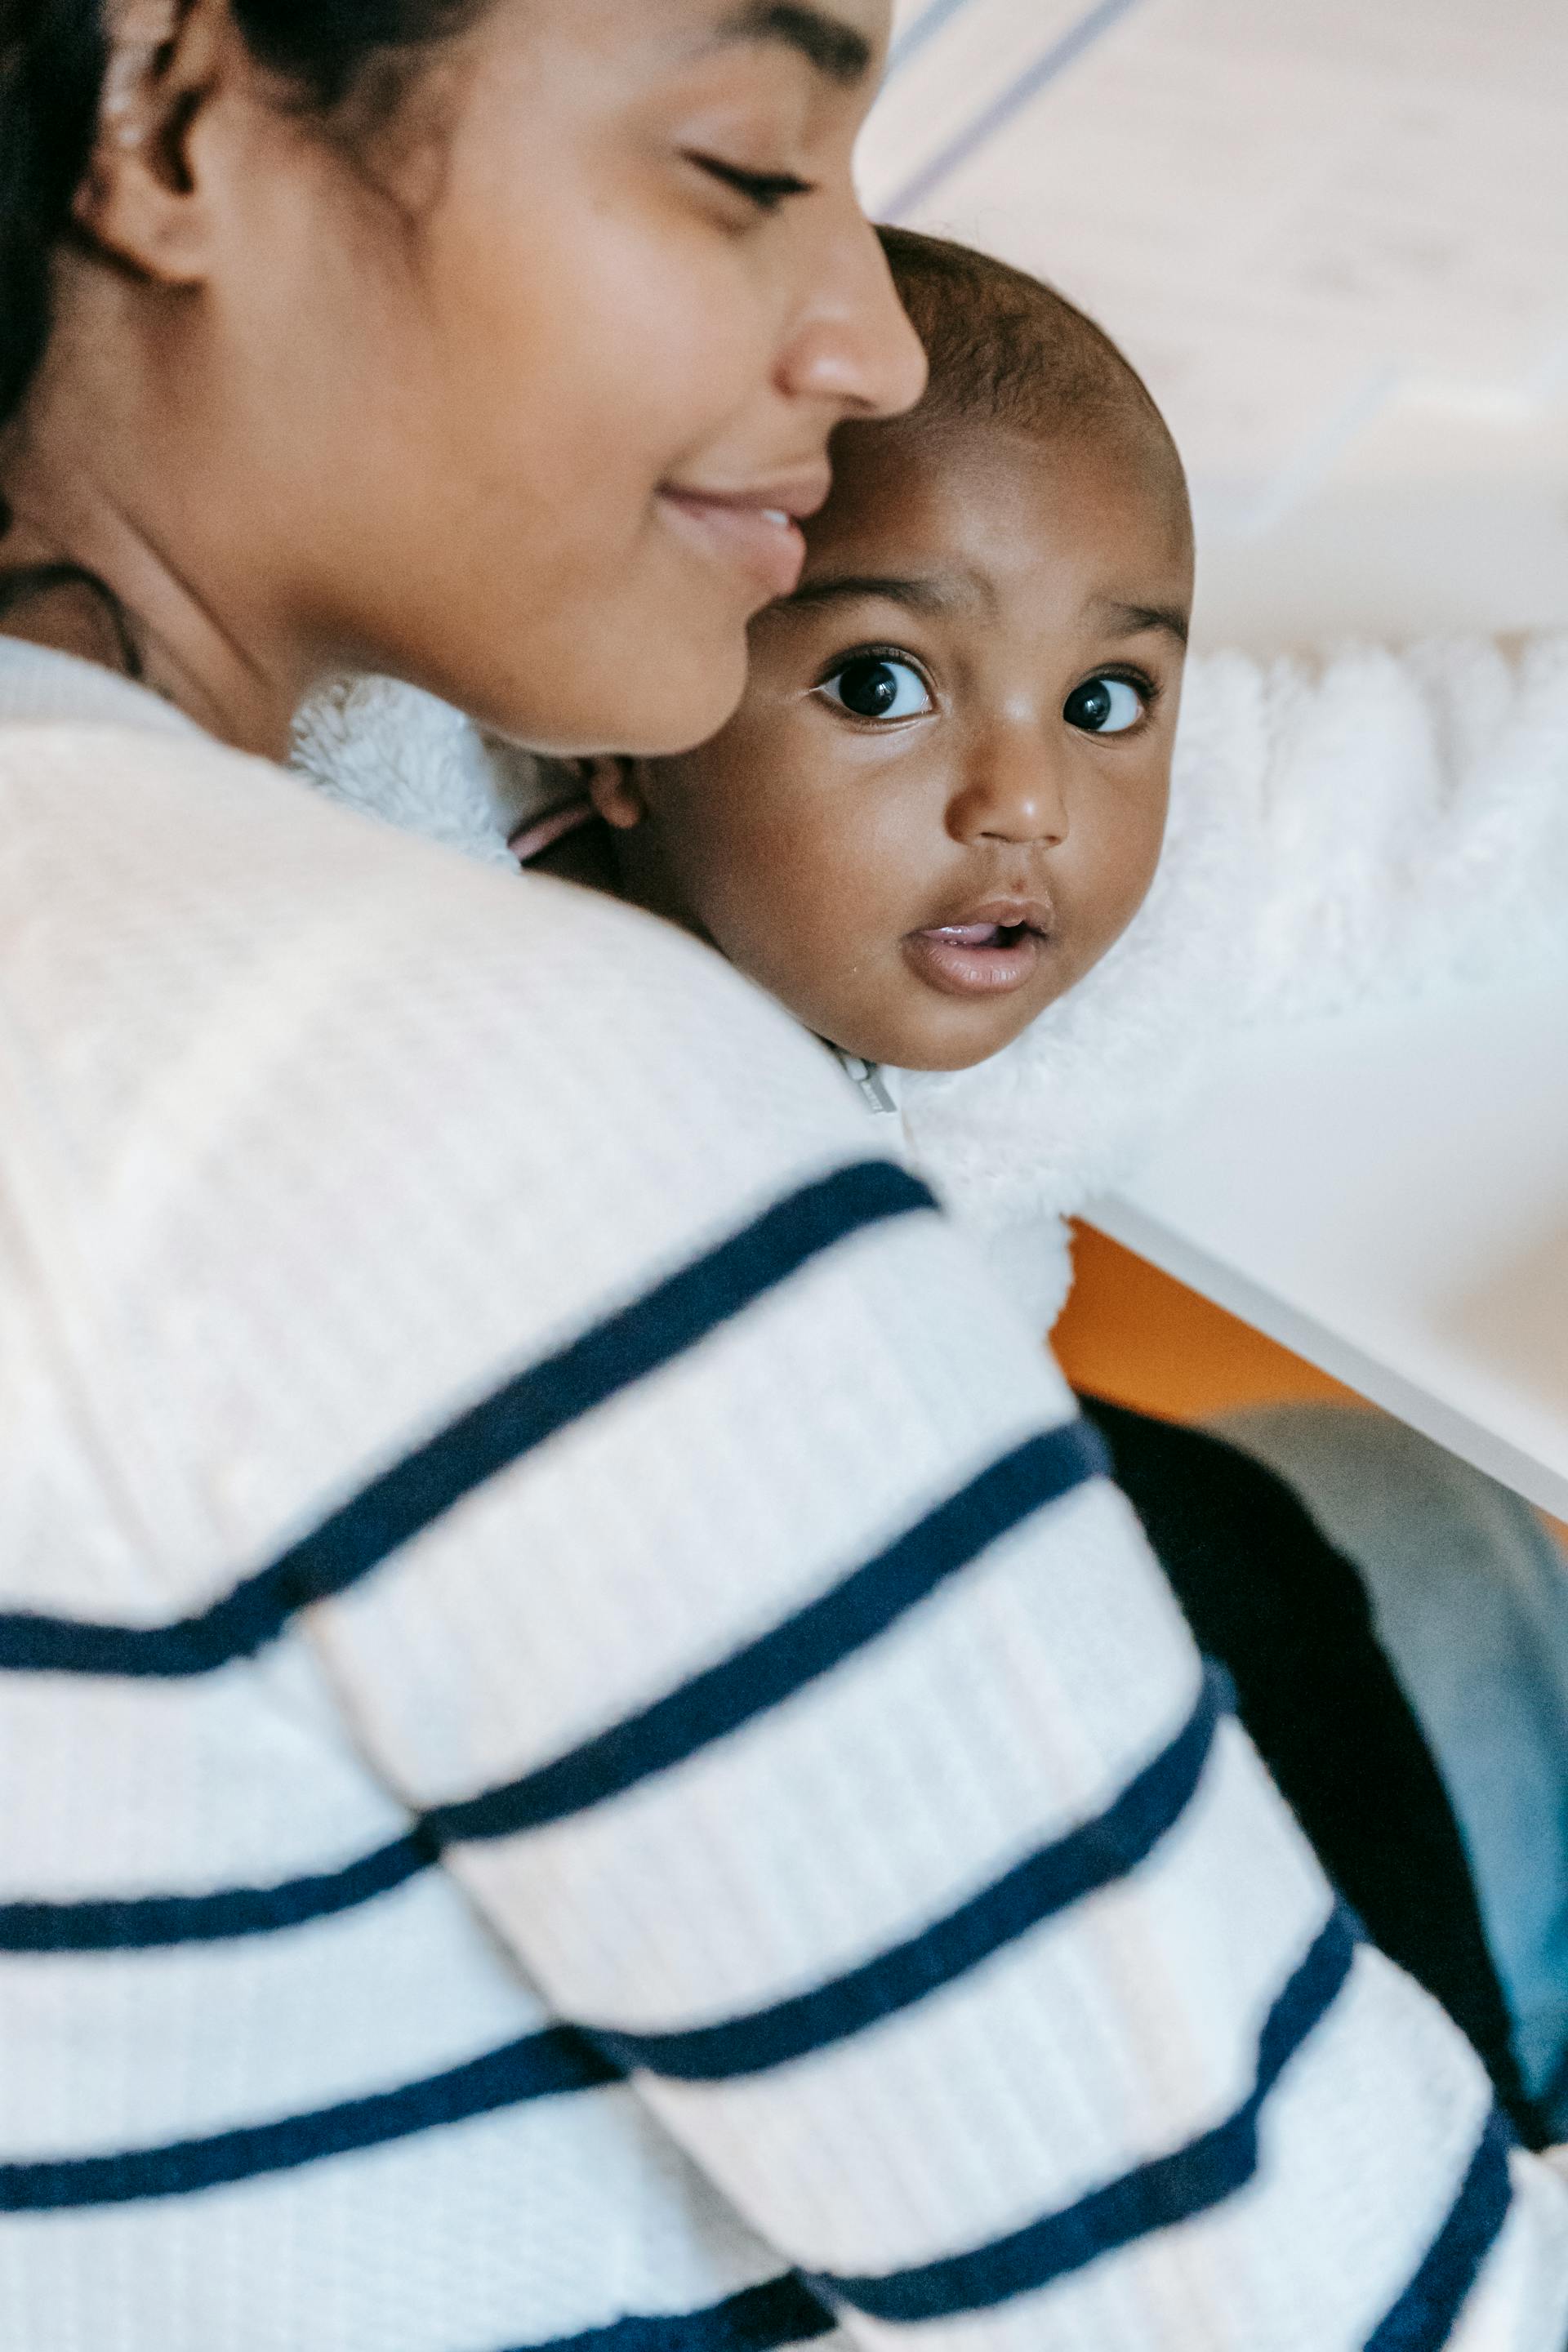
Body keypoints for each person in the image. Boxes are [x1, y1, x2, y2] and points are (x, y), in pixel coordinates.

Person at [3, 15, 1568, 2352]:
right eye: (745, 165)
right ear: (169, 115)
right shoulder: (519, 1121)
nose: (862, 339)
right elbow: (1331, 2299)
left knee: (1408, 1532)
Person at [301, 227, 1568, 2139]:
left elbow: (1401, 793)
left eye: (1108, 700)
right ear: (625, 701)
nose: (1027, 798)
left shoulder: (1030, 886)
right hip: (744, 1790)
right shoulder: (484, 1100)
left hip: (993, 1498)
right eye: (885, 682)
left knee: (1284, 1553)